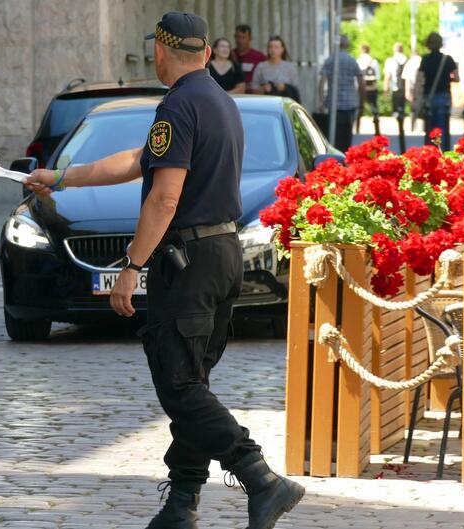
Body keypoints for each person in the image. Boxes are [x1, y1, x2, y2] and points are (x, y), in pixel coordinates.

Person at [25, 11, 305, 529]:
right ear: (203, 52)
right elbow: (138, 160)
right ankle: (181, 505)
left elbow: (164, 194)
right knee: (191, 382)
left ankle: (261, 477)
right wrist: (60, 177)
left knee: (179, 386)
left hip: (189, 261)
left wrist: (131, 266)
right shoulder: (220, 101)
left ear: (160, 50)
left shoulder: (178, 105)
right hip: (222, 255)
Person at [318, 34, 365, 151]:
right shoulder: (352, 60)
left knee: (333, 133)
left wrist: (321, 101)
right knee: (347, 134)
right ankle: (346, 154)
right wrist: (362, 102)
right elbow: (361, 82)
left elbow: (322, 82)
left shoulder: (330, 60)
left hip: (333, 103)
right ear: (347, 45)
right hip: (350, 103)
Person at [416, 32, 458, 147]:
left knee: (429, 125)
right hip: (444, 95)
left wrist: (416, 96)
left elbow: (419, 79)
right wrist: (448, 79)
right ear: (441, 44)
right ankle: (442, 150)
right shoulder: (448, 59)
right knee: (442, 125)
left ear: (428, 44)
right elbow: (457, 78)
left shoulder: (425, 59)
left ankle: (430, 150)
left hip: (428, 95)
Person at [251, 36, 299, 101]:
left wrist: (285, 87)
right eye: (271, 47)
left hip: (284, 103)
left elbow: (296, 89)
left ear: (282, 49)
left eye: (276, 47)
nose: (273, 50)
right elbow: (253, 88)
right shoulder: (261, 67)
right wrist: (263, 88)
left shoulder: (290, 67)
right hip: (265, 102)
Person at [357, 44, 381, 135]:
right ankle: (377, 130)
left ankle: (357, 129)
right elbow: (377, 76)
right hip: (372, 88)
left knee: (359, 108)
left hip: (361, 89)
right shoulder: (373, 62)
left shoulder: (358, 61)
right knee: (374, 108)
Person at [384, 42, 409, 123]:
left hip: (395, 87)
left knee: (395, 110)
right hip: (405, 87)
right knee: (402, 108)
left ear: (394, 49)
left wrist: (386, 89)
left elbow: (387, 76)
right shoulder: (407, 60)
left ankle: (397, 124)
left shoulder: (390, 60)